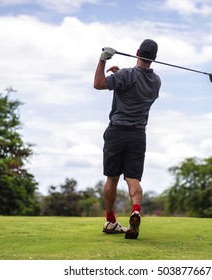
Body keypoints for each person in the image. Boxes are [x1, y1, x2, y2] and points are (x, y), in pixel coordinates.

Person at [93, 39, 161, 239]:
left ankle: (110, 220)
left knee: (112, 178)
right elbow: (135, 85)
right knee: (133, 179)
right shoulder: (156, 81)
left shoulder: (126, 75)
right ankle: (136, 210)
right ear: (154, 58)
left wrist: (103, 59)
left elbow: (98, 84)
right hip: (138, 134)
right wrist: (120, 76)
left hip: (116, 132)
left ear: (138, 52)